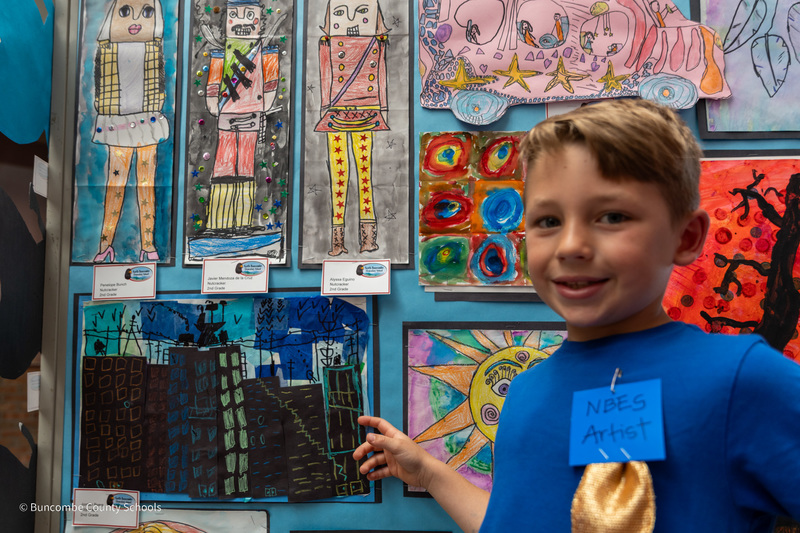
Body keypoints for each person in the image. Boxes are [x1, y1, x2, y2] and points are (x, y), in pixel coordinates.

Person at [353, 98, 800, 532]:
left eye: (611, 216)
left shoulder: (744, 380)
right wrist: (430, 473)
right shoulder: (525, 391)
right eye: (548, 221)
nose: (570, 246)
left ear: (685, 237)